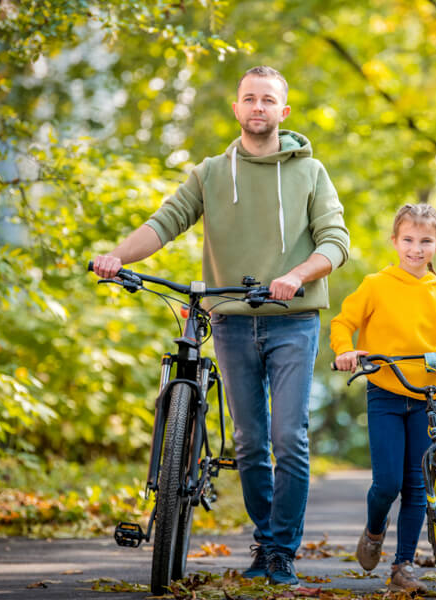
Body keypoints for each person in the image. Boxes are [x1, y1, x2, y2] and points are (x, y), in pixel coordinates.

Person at [92, 66, 349, 586]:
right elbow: (164, 223)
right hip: (230, 321)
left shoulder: (311, 172)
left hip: (292, 321)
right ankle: (265, 542)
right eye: (249, 99)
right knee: (251, 443)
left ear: (284, 111)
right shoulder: (210, 172)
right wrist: (116, 256)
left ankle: (282, 552)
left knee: (288, 437)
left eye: (268, 100)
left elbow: (336, 243)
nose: (258, 107)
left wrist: (295, 276)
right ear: (236, 109)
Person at [329, 203, 436, 593]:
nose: (416, 249)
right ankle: (373, 529)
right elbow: (343, 322)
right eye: (408, 240)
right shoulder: (376, 284)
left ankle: (403, 566)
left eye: (425, 241)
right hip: (385, 391)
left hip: (427, 397)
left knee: (418, 485)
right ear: (394, 241)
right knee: (387, 483)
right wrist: (344, 350)